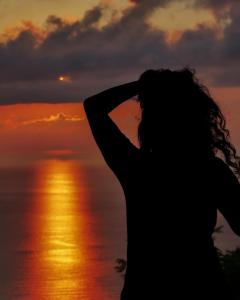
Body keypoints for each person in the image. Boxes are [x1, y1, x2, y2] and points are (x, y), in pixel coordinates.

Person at [83, 68, 240, 299]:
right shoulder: (211, 170)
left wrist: (144, 86)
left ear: (150, 122)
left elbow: (94, 106)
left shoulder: (136, 168)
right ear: (198, 117)